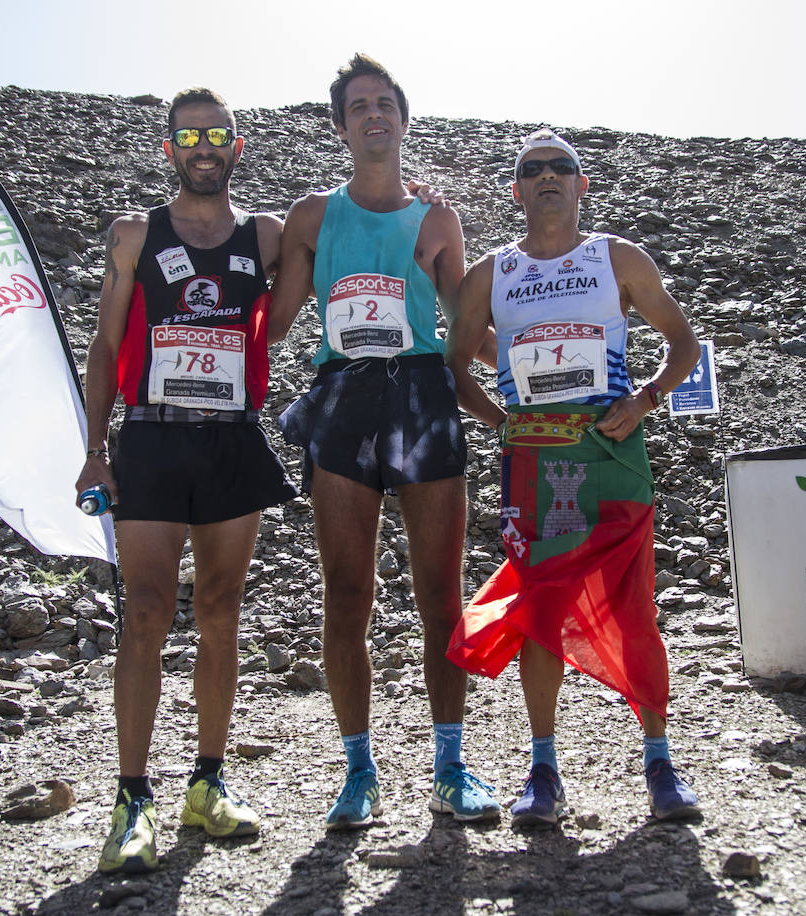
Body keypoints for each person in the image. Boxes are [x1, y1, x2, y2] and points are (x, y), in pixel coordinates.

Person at [445, 129, 704, 827]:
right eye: (534, 169)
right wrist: (499, 421)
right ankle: (543, 768)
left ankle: (659, 761)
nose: (549, 176)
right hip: (535, 464)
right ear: (517, 188)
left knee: (634, 606)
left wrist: (647, 396)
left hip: (614, 456)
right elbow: (455, 364)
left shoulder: (615, 257)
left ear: (582, 184)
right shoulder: (492, 274)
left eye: (564, 166)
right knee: (540, 613)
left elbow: (683, 343)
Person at [267, 53, 499, 829]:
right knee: (347, 596)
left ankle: (450, 764)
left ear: (402, 119)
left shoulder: (438, 220)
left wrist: (549, 378)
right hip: (342, 398)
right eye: (358, 105)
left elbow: (467, 324)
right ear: (340, 126)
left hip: (424, 395)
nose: (374, 115)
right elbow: (273, 318)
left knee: (440, 595)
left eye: (385, 104)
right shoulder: (310, 215)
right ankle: (358, 771)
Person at [76, 87, 299, 874]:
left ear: (238, 145)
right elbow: (106, 348)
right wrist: (96, 447)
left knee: (220, 609)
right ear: (168, 148)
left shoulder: (267, 235)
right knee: (143, 612)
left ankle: (207, 784)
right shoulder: (136, 233)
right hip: (152, 438)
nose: (204, 147)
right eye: (189, 136)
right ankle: (131, 798)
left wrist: (423, 192)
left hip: (232, 440)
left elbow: (347, 227)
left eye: (217, 134)